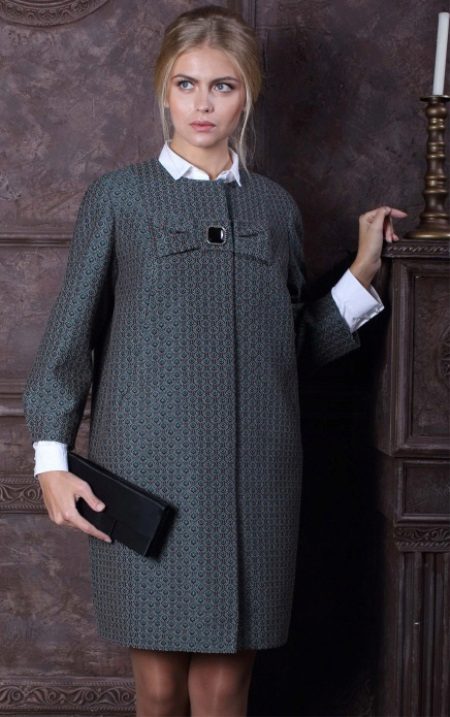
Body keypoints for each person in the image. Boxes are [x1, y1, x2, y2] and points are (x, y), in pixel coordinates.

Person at [22, 5, 407, 716]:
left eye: (222, 86)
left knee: (226, 689)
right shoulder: (119, 198)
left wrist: (361, 274)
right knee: (160, 689)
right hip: (148, 473)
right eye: (187, 84)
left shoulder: (275, 209)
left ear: (247, 95)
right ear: (163, 90)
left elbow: (289, 351)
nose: (203, 104)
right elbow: (67, 340)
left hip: (257, 480)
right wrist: (51, 460)